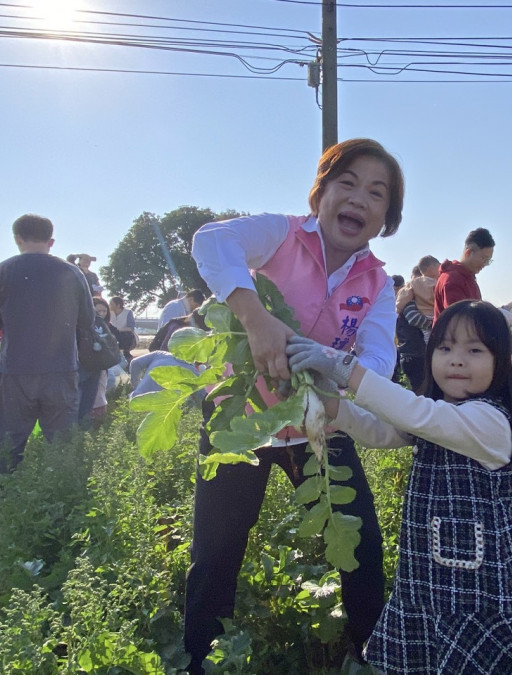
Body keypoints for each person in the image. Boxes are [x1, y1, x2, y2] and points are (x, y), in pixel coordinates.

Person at [185, 138, 403, 673]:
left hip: (318, 422)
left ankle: (370, 654)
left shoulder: (376, 284)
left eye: (376, 193)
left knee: (362, 546)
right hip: (243, 420)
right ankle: (200, 658)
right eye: (346, 183)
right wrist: (256, 319)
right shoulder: (280, 234)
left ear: (385, 218)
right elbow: (210, 241)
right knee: (217, 549)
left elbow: (377, 359)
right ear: (320, 193)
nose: (358, 200)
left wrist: (329, 366)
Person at [288, 300, 512, 673]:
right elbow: (379, 430)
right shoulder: (436, 414)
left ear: (501, 361)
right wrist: (331, 404)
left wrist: (345, 368)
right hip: (427, 583)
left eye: (475, 350)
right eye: (445, 348)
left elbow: (417, 414)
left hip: (482, 594)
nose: (457, 360)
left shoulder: (489, 421)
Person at [0, 214, 94, 475]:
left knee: (9, 446)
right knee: (62, 445)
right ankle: (61, 499)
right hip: (61, 369)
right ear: (51, 241)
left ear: (17, 239)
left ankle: (2, 500)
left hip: (16, 370)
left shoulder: (1, 271)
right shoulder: (72, 272)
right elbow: (87, 320)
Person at [433, 228, 493, 323]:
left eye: (488, 261)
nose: (485, 264)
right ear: (468, 253)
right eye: (484, 259)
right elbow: (460, 321)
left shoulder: (469, 277)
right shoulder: (452, 280)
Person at [80, 298, 119, 421]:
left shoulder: (106, 326)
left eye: (104, 311)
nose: (101, 314)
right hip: (89, 365)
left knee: (95, 395)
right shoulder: (85, 324)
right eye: (98, 312)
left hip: (99, 366)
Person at [108, 295, 138, 362]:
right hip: (113, 335)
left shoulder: (128, 312)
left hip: (125, 336)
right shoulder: (108, 313)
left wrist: (117, 330)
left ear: (118, 305)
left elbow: (131, 328)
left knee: (127, 335)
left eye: (111, 304)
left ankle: (126, 354)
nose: (109, 305)